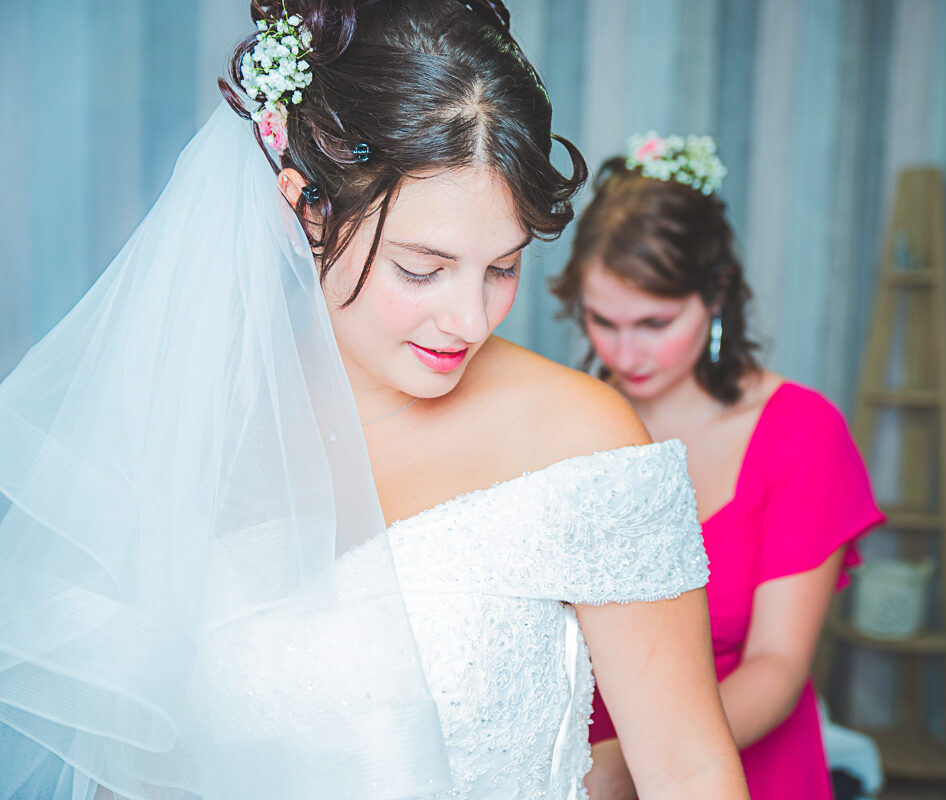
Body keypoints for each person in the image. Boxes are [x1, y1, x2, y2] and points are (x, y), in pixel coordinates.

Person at [0, 6, 748, 799]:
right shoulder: (192, 428)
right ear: (303, 207)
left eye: (501, 267)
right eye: (423, 269)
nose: (470, 319)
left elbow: (689, 769)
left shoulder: (581, 439)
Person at [551, 133, 885, 800]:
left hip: (736, 759)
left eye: (655, 322)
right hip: (581, 766)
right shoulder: (567, 422)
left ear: (716, 295)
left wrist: (639, 760)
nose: (626, 351)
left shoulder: (800, 432)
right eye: (601, 321)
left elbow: (778, 664)